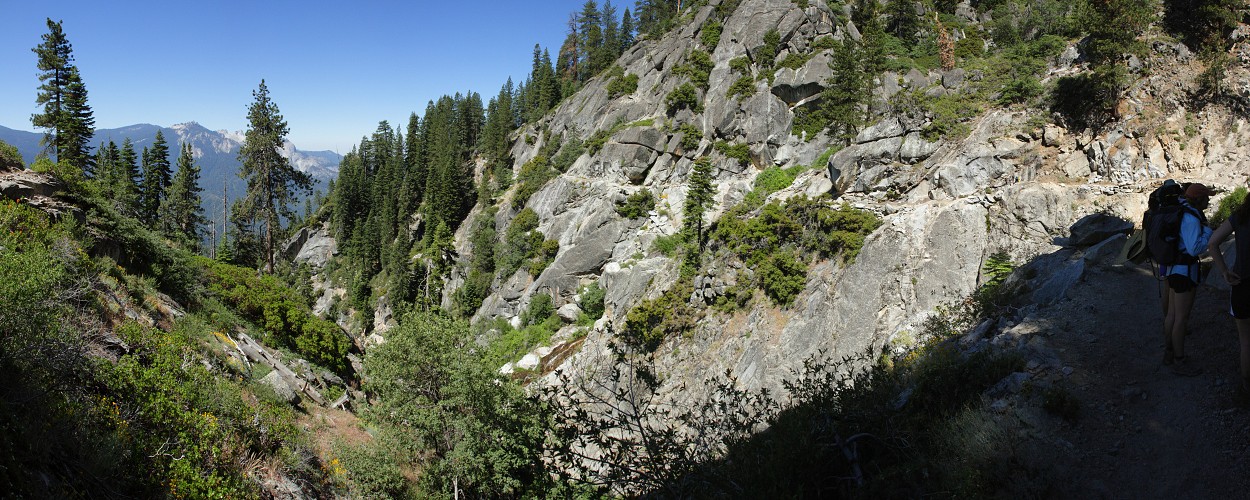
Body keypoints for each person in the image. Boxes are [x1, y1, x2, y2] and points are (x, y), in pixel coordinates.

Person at [1163, 183, 1213, 376]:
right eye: (1207, 197)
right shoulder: (1192, 218)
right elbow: (1194, 249)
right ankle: (1179, 360)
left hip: (1174, 269)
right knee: (1181, 319)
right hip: (1185, 272)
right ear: (1199, 199)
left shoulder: (1182, 212)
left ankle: (1169, 353)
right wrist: (1208, 232)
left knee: (1172, 316)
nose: (1209, 200)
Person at [1207, 189, 1250, 395]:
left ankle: (1246, 387)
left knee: (1246, 342)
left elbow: (1212, 243)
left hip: (1242, 285)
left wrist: (1224, 271)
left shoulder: (1240, 216)